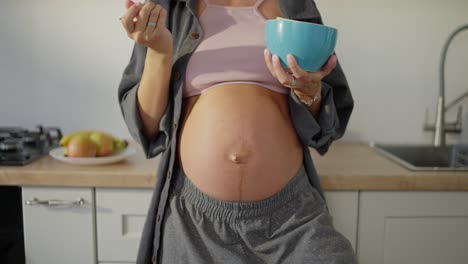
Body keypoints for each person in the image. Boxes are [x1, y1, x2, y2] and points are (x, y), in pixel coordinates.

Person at [118, 0, 357, 263]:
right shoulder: (168, 7)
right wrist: (159, 51)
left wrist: (309, 92)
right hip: (195, 222)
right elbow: (147, 129)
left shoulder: (295, 5)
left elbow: (326, 127)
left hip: (290, 218)